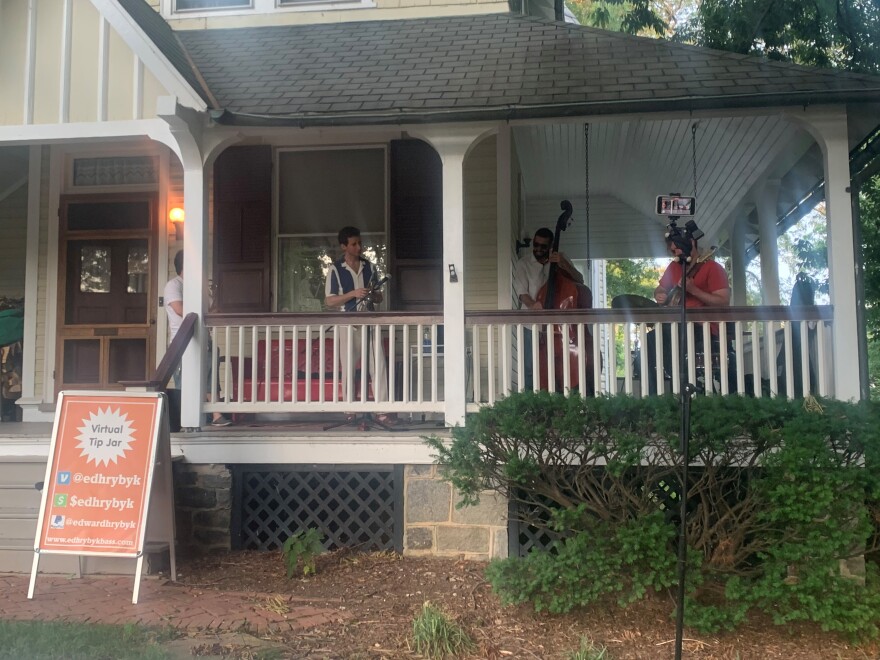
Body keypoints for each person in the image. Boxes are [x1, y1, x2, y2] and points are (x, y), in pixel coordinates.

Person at [647, 228, 731, 393]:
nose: (675, 253)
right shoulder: (674, 267)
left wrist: (695, 291)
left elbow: (723, 301)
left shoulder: (712, 267)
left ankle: (681, 388)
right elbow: (659, 289)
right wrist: (660, 295)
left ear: (692, 243)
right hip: (677, 325)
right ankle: (655, 393)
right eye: (672, 250)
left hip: (704, 327)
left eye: (677, 248)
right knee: (651, 338)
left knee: (676, 334)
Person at [324, 227, 394, 423]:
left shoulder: (369, 267)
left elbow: (379, 298)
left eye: (360, 243)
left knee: (377, 364)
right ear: (344, 246)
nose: (359, 247)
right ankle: (350, 410)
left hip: (369, 321)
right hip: (348, 323)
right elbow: (330, 301)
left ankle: (382, 410)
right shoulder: (336, 269)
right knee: (348, 366)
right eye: (354, 244)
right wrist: (353, 294)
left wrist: (374, 294)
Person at [164, 250, 231, 427]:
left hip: (204, 341)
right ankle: (186, 421)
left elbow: (212, 310)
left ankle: (216, 416)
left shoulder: (198, 287)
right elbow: (179, 309)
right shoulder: (174, 285)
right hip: (183, 343)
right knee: (186, 383)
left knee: (211, 379)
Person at [513, 227, 584, 390]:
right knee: (530, 367)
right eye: (535, 245)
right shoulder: (523, 264)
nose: (538, 249)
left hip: (559, 328)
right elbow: (521, 292)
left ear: (551, 246)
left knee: (561, 366)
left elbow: (579, 280)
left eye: (543, 246)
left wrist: (563, 264)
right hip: (531, 324)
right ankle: (531, 402)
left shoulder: (561, 258)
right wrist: (533, 305)